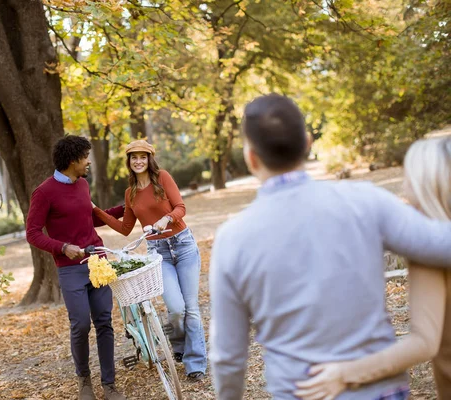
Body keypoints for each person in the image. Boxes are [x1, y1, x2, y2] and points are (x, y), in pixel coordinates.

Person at [209, 94, 451, 399]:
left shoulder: (232, 239)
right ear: (308, 143)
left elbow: (227, 356)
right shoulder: (365, 201)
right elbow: (442, 244)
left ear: (251, 158)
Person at [295, 136, 451, 400]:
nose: (404, 185)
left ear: (428, 183)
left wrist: (346, 373)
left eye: (408, 176)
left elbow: (424, 342)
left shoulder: (429, 252)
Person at [92, 139, 208, 381]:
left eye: (142, 156)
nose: (138, 161)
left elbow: (180, 207)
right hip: (159, 253)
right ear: (129, 161)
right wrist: (96, 211)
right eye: (134, 157)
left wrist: (166, 219)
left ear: (149, 158)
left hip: (183, 245)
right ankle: (178, 346)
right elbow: (124, 228)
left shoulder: (163, 178)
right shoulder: (131, 193)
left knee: (191, 309)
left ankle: (195, 363)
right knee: (176, 309)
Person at [26, 135, 127, 400]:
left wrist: (126, 209)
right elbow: (33, 233)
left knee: (104, 322)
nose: (88, 162)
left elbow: (92, 218)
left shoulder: (82, 185)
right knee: (81, 323)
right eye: (85, 157)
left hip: (98, 261)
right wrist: (62, 247)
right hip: (70, 268)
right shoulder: (44, 192)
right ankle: (84, 381)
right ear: (72, 160)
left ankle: (109, 385)